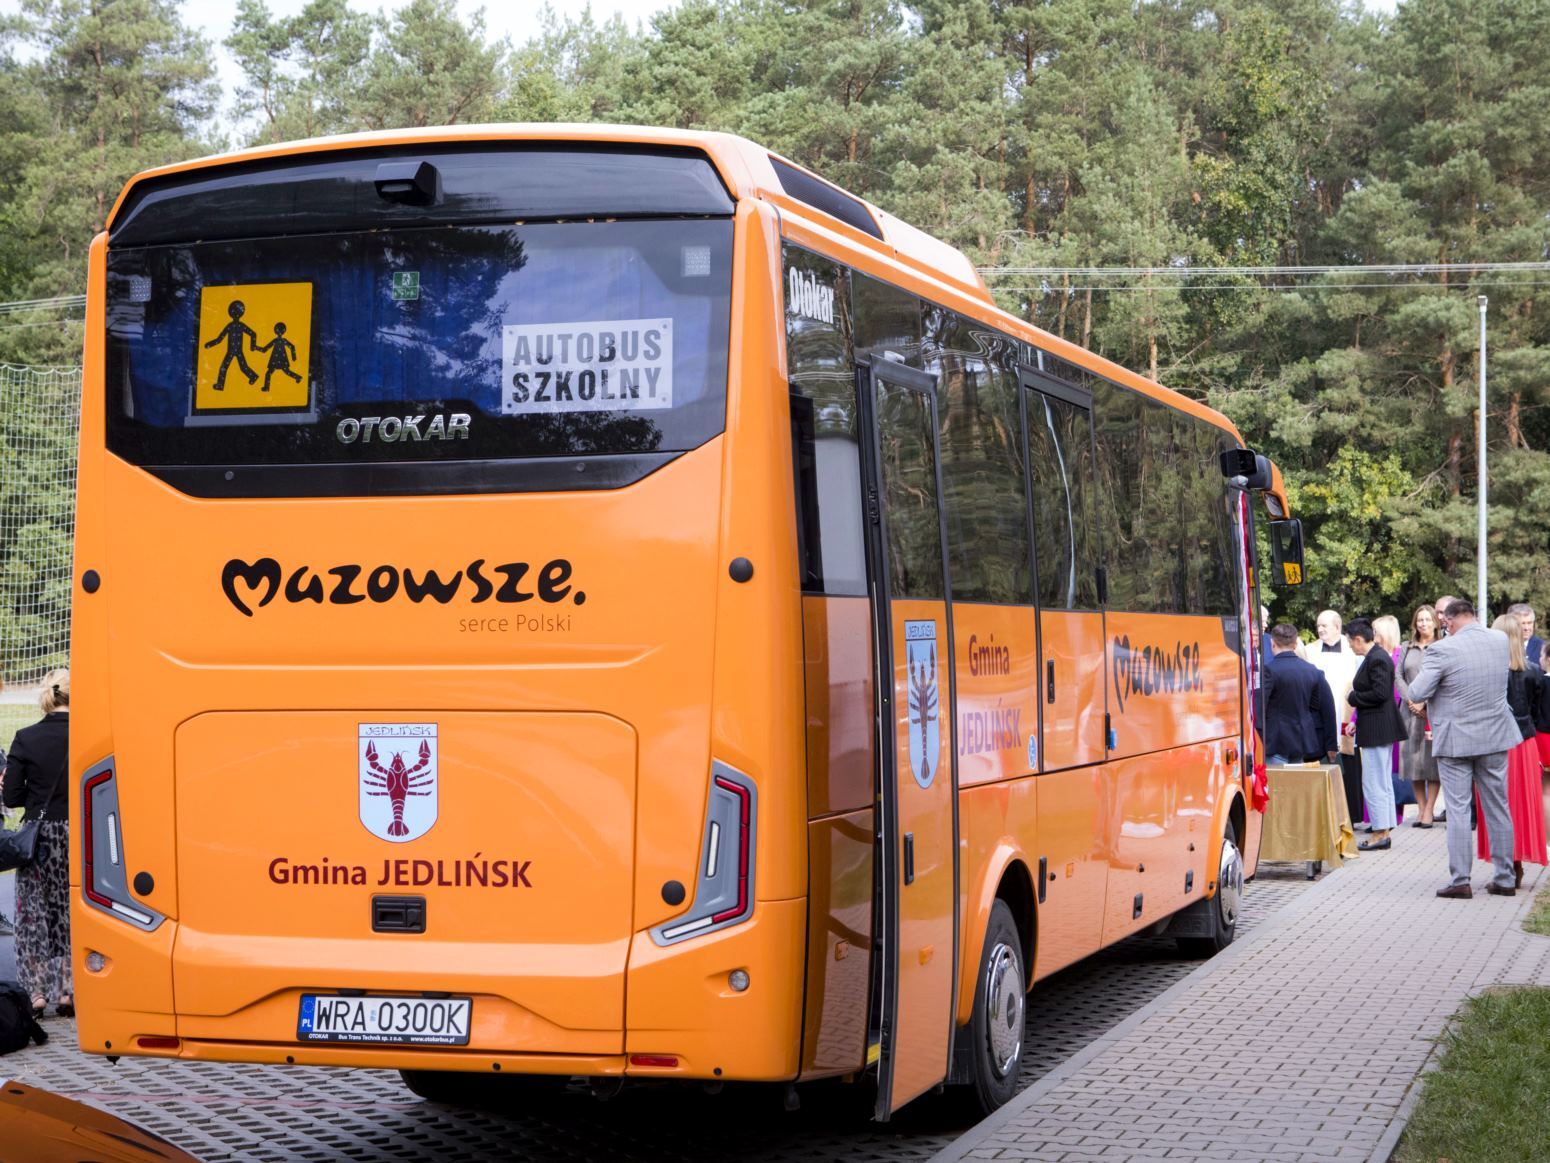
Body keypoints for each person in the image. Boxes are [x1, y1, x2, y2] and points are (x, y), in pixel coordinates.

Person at [1406, 600, 1522, 898]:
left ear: (1449, 621)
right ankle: (1505, 878)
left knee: (1457, 809)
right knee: (1498, 806)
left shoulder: (1442, 650)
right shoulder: (1499, 640)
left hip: (1455, 740)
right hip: (1495, 735)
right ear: (1474, 616)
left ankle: (1460, 880)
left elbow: (1417, 692)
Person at [0, 670, 72, 1015]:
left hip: (38, 837)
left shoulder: (25, 737)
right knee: (74, 911)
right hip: (84, 835)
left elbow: (11, 797)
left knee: (32, 915)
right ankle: (68, 992)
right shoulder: (93, 736)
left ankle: (36, 993)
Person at [1478, 615, 1548, 887]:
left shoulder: (1488, 672)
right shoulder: (1534, 672)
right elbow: (1537, 715)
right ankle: (1515, 865)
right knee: (1522, 804)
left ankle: (1505, 867)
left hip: (1496, 743)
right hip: (1525, 744)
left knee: (1497, 804)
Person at [1346, 619, 1405, 850]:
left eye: (1351, 642)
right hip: (1378, 727)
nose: (1350, 646)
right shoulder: (1377, 656)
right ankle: (1384, 829)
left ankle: (1380, 832)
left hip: (1377, 728)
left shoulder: (1377, 658)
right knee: (1381, 781)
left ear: (1359, 639)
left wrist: (1353, 698)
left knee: (1374, 782)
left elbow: (1380, 693)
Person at [1308, 609, 1362, 824]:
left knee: (1349, 764)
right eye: (1318, 625)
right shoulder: (1310, 650)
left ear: (1338, 627)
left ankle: (1350, 815)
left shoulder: (1352, 651)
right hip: (1320, 717)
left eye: (1325, 626)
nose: (1320, 629)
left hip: (1346, 712)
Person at [1263, 623, 1338, 765]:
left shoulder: (1269, 671)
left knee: (1277, 785)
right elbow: (1317, 705)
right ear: (1295, 644)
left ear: (1272, 643)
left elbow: (1261, 706)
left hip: (1276, 740)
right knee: (1297, 784)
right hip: (1302, 739)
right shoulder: (1312, 671)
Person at [1396, 605, 1442, 826]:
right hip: (1409, 711)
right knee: (1412, 761)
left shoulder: (1443, 647)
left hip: (1434, 711)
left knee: (1431, 764)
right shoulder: (1407, 647)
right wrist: (1411, 699)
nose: (1424, 624)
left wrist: (1424, 700)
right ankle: (1421, 808)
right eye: (1420, 620)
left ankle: (1430, 810)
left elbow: (1444, 676)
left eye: (1427, 619)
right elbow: (1398, 676)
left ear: (1435, 622)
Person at [1507, 603, 1543, 671]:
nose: (1527, 628)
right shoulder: (1502, 646)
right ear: (1511, 624)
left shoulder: (1542, 648)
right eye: (1522, 623)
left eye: (1529, 623)